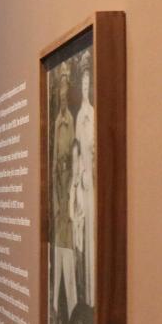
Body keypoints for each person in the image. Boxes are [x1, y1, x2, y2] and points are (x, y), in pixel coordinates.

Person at [51, 69, 77, 324]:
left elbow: (73, 165)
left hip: (68, 224)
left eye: (64, 90)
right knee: (57, 285)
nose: (61, 95)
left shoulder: (70, 123)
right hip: (57, 220)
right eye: (58, 90)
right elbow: (54, 168)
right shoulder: (57, 124)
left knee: (69, 286)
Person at [73, 64, 95, 306]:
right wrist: (80, 176)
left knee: (92, 234)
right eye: (83, 84)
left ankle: (92, 296)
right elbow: (77, 152)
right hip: (83, 182)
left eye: (88, 84)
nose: (86, 88)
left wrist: (91, 172)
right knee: (82, 234)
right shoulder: (80, 116)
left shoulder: (93, 114)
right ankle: (84, 296)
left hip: (92, 183)